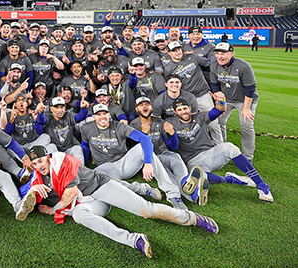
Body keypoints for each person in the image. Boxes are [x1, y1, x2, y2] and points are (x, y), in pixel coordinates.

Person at [19, 146, 218, 259]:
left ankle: (192, 218)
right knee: (79, 215)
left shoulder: (64, 161)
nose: (39, 166)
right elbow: (29, 197)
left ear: (48, 157)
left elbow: (69, 194)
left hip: (100, 187)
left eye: (41, 161)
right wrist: (33, 189)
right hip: (89, 202)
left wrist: (53, 210)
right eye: (35, 163)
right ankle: (135, 240)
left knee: (147, 210)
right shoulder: (39, 174)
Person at [80, 104, 187, 209]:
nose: (102, 116)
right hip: (104, 168)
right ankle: (142, 189)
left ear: (109, 114)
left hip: (124, 163)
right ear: (93, 117)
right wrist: (84, 167)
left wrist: (148, 163)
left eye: (105, 113)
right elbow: (84, 147)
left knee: (142, 148)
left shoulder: (119, 126)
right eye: (98, 114)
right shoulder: (86, 128)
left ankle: (173, 196)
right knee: (102, 181)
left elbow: (145, 139)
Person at [169, 97, 273, 204]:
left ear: (190, 108)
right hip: (192, 162)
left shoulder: (200, 117)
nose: (183, 112)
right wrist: (171, 134)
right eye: (179, 110)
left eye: (185, 108)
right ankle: (229, 179)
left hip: (211, 154)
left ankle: (262, 185)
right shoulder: (170, 123)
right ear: (175, 112)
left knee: (229, 147)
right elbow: (172, 146)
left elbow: (218, 110)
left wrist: (222, 101)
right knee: (198, 178)